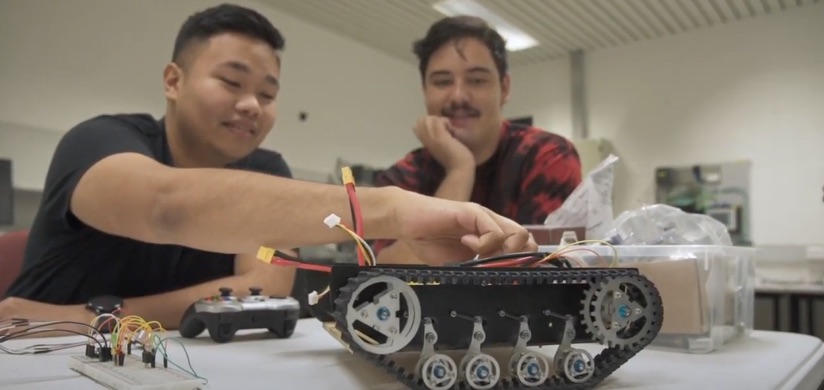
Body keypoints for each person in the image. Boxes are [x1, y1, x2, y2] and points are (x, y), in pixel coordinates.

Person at [0, 4, 535, 332]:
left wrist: (85, 316)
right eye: (232, 83)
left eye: (268, 92)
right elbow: (164, 205)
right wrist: (390, 208)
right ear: (173, 81)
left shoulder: (267, 166)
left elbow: (264, 286)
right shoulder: (98, 142)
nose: (252, 104)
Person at [373, 16, 582, 264]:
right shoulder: (401, 178)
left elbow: (544, 268)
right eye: (442, 82)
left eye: (476, 80)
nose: (459, 96)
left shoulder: (546, 155)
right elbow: (386, 275)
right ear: (425, 90)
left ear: (504, 88)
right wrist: (459, 169)